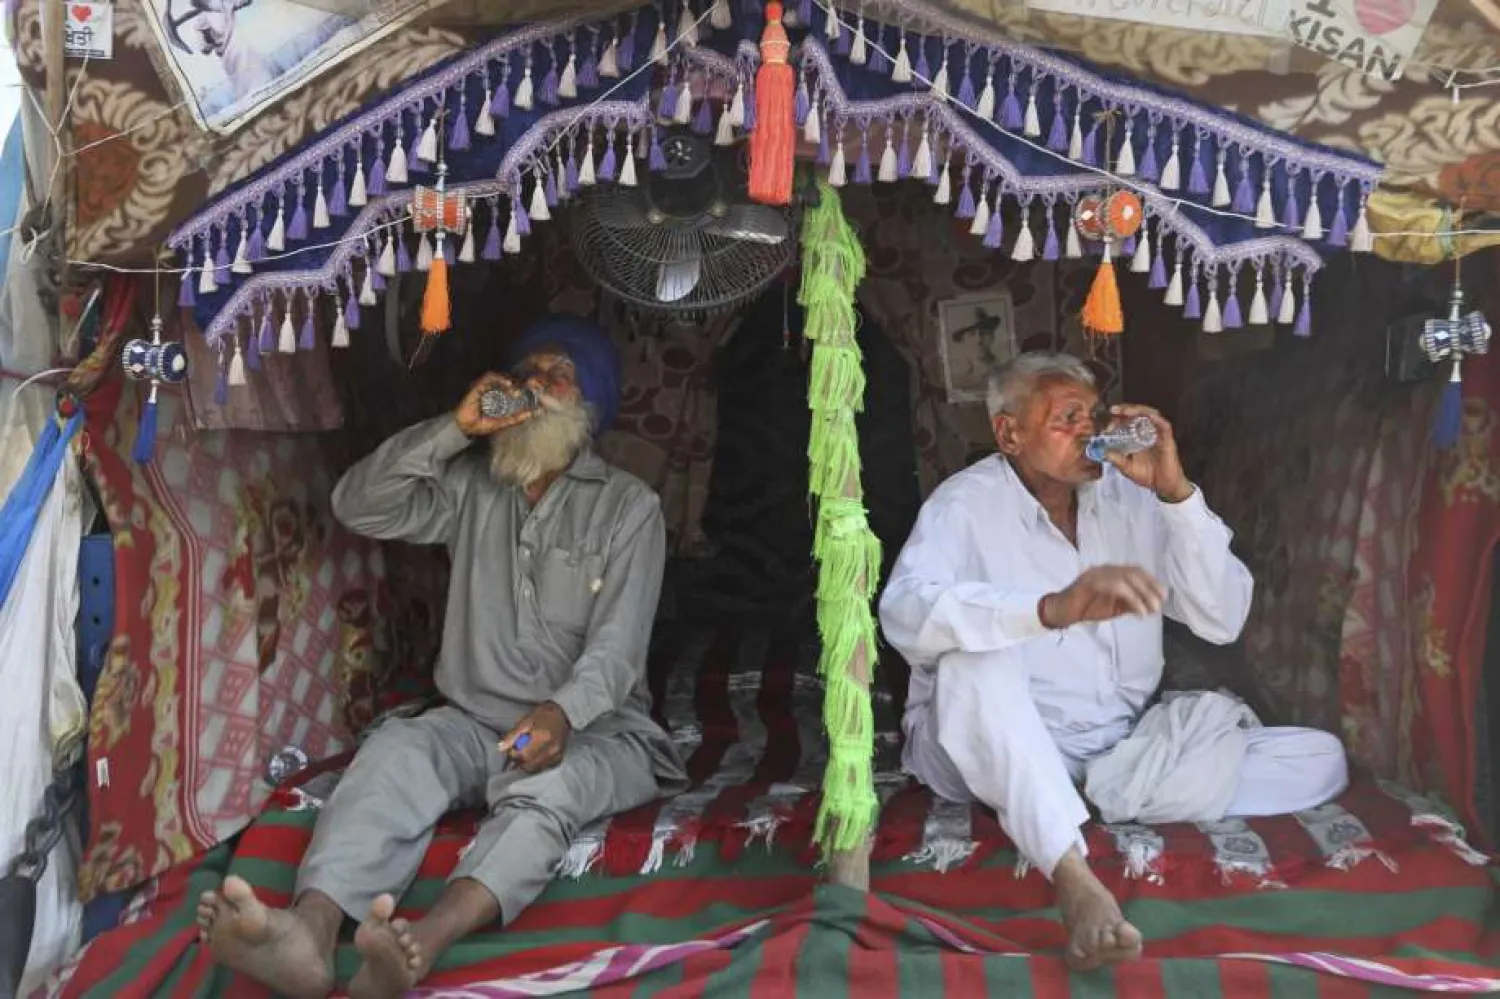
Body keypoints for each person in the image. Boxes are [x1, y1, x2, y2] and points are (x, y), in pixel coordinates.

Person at [196, 315, 688, 999]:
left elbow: (617, 651)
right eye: (526, 373)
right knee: (392, 756)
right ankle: (307, 935)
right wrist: (456, 427)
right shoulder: (474, 485)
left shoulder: (630, 508)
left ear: (589, 403)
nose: (535, 385)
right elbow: (357, 503)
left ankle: (420, 944)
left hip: (595, 731)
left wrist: (560, 714)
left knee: (549, 791)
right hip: (474, 721)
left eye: (558, 373)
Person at [879, 352, 1348, 972]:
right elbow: (905, 614)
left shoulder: (1133, 496)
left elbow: (1222, 617)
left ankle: (1091, 795)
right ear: (1009, 433)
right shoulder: (963, 505)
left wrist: (1177, 494)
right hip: (984, 746)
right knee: (974, 663)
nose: (1089, 431)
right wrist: (1047, 609)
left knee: (1320, 759)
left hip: (1116, 751)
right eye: (1065, 417)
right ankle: (1072, 873)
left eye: (1094, 415)